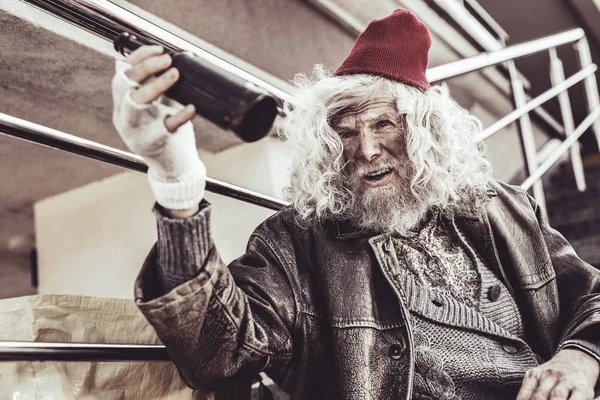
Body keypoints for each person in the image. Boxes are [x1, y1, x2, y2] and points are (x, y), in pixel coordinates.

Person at [111, 8, 600, 400]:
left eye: (384, 124)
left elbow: (591, 297)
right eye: (345, 132)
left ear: (426, 132)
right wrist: (177, 181)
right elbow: (218, 355)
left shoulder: (507, 209)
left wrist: (580, 355)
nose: (365, 150)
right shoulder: (293, 243)